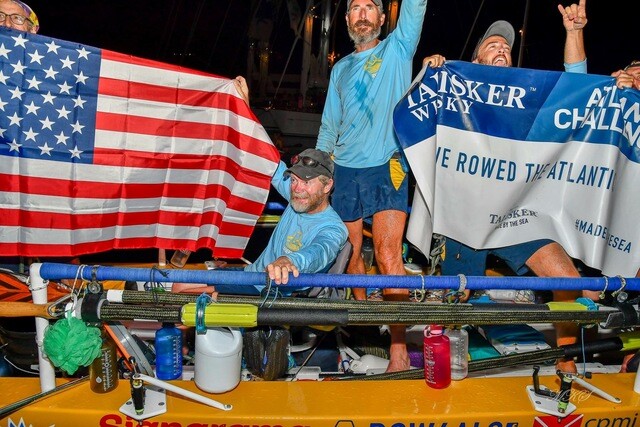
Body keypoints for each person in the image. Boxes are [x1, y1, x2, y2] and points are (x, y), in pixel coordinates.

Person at [428, 15, 599, 373]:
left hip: (520, 212)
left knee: (568, 281)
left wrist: (574, 32)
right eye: (492, 45)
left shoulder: (528, 98)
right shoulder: (458, 90)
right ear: (475, 62)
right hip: (468, 214)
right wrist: (433, 74)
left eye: (506, 45)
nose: (501, 47)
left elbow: (578, 94)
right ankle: (442, 362)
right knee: (458, 297)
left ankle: (565, 367)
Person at [315, 0, 427, 373]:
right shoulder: (341, 69)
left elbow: (416, 7)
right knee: (351, 254)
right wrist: (319, 169)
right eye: (355, 8)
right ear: (347, 19)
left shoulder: (398, 48)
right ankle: (363, 325)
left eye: (370, 7)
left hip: (388, 165)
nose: (362, 13)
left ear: (382, 18)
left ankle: (397, 351)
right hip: (344, 169)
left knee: (388, 254)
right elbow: (330, 125)